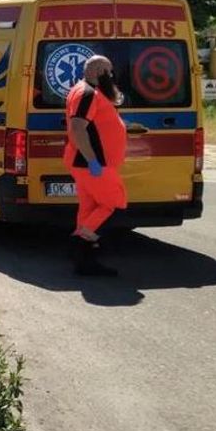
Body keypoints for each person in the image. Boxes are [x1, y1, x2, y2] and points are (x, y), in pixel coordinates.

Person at [64, 54, 128, 276]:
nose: (111, 76)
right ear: (99, 70)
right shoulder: (87, 93)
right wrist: (92, 160)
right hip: (92, 163)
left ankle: (84, 260)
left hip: (88, 162)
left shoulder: (86, 90)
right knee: (113, 204)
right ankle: (80, 243)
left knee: (90, 208)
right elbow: (78, 128)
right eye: (109, 72)